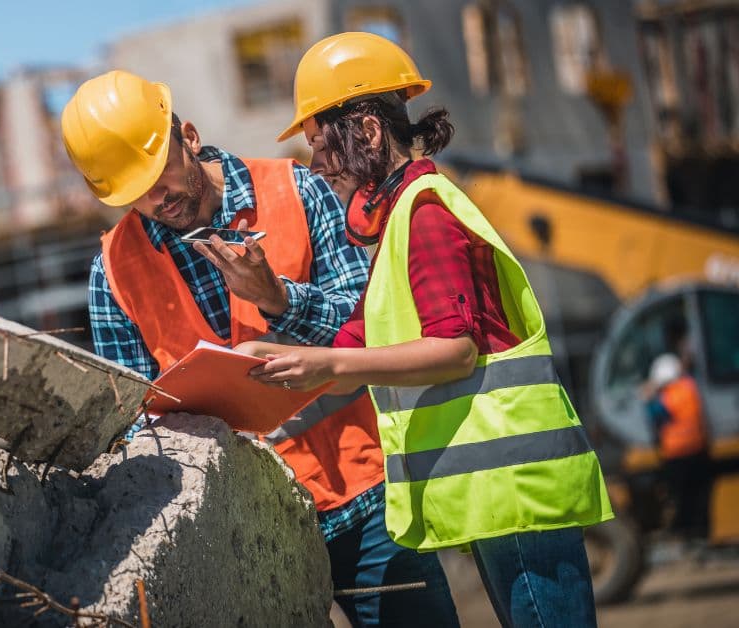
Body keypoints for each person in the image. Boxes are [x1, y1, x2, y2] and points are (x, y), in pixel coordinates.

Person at [237, 32, 614, 627]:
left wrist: (330, 367)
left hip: (516, 492)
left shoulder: (427, 212)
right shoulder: (398, 220)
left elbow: (454, 350)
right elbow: (353, 346)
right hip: (498, 496)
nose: (316, 167)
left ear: (365, 132)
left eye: (321, 145)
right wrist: (266, 368)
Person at [62, 69, 459, 626]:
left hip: (363, 497)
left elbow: (372, 331)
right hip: (241, 533)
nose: (157, 199)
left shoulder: (298, 190)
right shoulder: (113, 269)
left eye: (160, 175)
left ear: (190, 138)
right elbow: (128, 420)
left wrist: (278, 299)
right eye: (134, 193)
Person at [643, 352, 711, 540]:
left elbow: (656, 415)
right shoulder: (690, 386)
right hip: (698, 448)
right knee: (699, 497)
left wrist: (648, 397)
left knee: (682, 499)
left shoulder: (667, 396)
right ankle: (701, 534)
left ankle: (687, 535)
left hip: (676, 454)